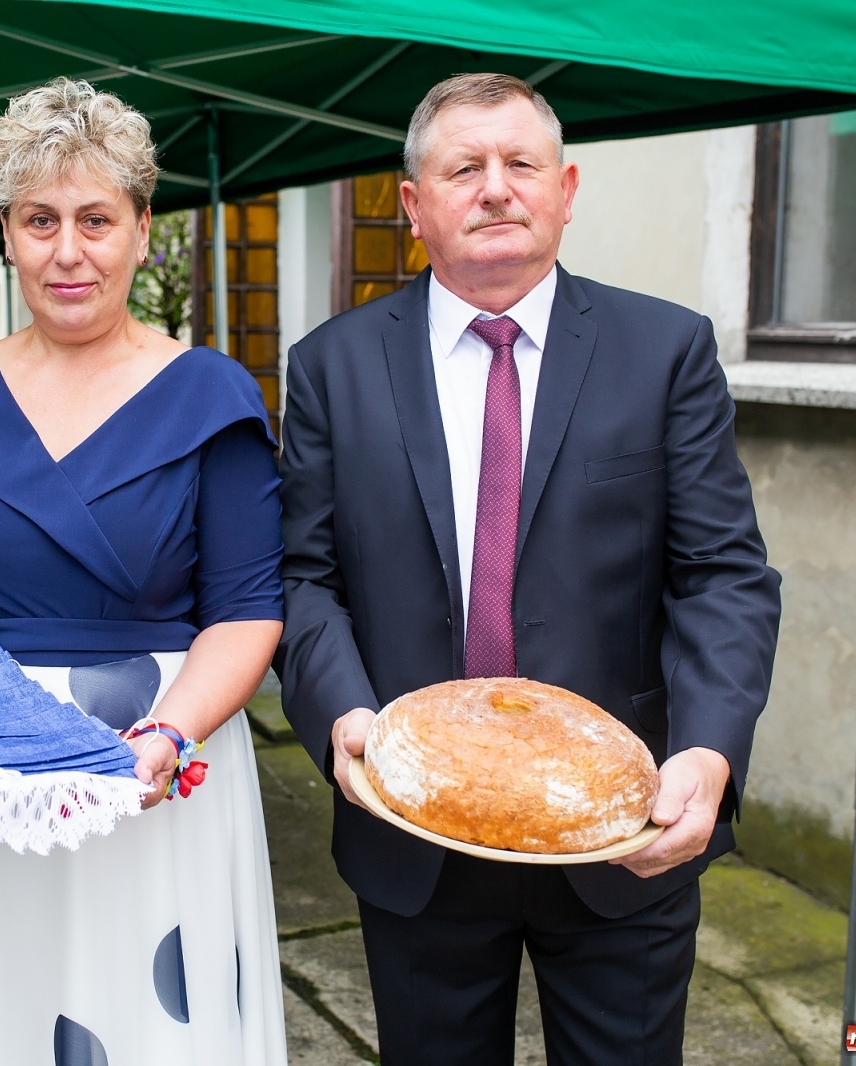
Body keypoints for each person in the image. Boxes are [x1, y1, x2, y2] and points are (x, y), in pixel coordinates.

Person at [276, 73, 781, 1065]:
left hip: (622, 830)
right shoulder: (332, 366)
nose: (496, 188)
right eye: (464, 168)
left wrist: (710, 752)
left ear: (566, 188)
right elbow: (304, 576)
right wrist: (343, 717)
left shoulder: (664, 351)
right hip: (412, 822)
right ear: (413, 204)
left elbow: (724, 576)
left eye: (521, 163)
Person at [0, 78, 287, 1065]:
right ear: (6, 234)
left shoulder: (210, 397)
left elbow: (248, 610)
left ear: (142, 229)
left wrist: (169, 731)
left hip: (143, 773)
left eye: (95, 219)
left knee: (138, 1022)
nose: (68, 251)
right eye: (40, 220)